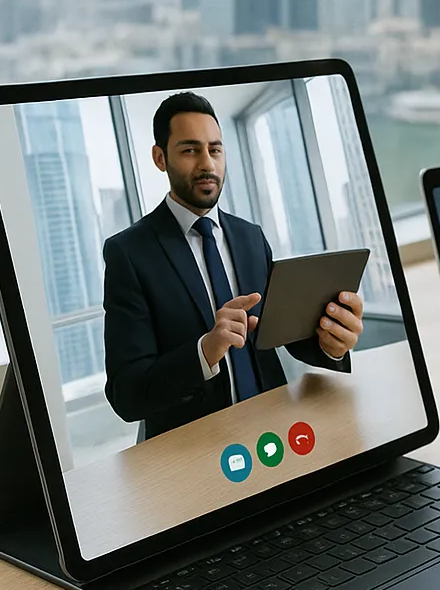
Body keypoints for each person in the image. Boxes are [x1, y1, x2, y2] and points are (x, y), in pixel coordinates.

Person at [103, 91, 364, 439]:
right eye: (190, 150)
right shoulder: (129, 253)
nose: (208, 164)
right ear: (160, 157)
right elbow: (126, 394)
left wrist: (333, 343)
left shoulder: (250, 237)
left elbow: (285, 333)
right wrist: (205, 351)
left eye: (215, 149)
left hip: (277, 437)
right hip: (196, 453)